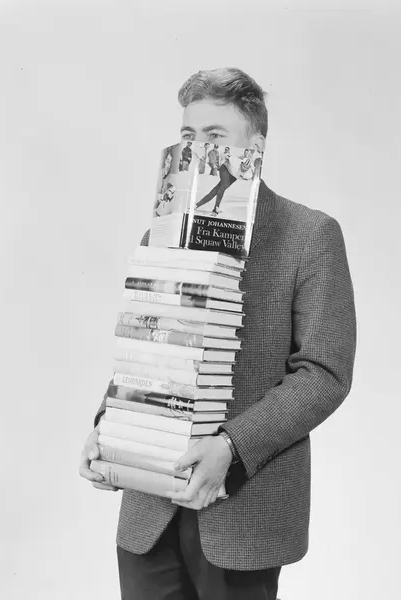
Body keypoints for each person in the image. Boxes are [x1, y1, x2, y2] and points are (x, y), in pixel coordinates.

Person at [79, 67, 357, 600]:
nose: (197, 148)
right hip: (148, 508)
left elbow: (324, 373)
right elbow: (145, 346)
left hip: (244, 512)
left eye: (215, 135)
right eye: (188, 134)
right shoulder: (160, 234)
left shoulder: (310, 235)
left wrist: (231, 446)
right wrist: (108, 427)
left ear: (255, 146)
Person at [195, 146, 239, 216]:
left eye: (246, 168)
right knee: (222, 188)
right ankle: (216, 208)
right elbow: (224, 159)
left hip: (232, 176)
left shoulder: (247, 174)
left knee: (216, 190)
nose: (244, 168)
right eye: (243, 166)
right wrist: (218, 164)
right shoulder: (233, 160)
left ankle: (197, 205)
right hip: (225, 169)